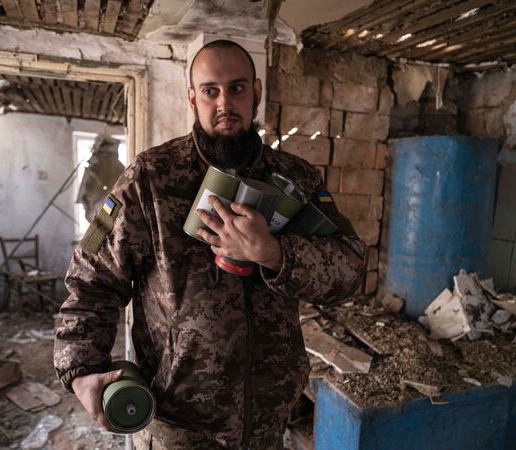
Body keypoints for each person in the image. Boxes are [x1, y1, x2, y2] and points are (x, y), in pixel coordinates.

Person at [54, 39, 365, 450]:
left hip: (268, 421)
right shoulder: (151, 179)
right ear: (191, 97)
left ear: (256, 91)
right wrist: (81, 369)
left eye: (237, 88)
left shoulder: (296, 179)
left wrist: (272, 252)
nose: (224, 103)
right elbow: (92, 281)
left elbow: (350, 268)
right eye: (210, 90)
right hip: (178, 426)